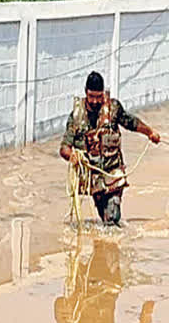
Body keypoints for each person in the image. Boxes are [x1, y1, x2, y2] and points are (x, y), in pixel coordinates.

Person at [59, 71, 161, 226]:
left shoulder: (113, 108)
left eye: (98, 97)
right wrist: (71, 155)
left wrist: (150, 133)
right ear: (86, 92)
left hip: (113, 171)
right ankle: (106, 245)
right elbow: (64, 148)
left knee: (112, 214)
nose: (94, 101)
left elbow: (131, 123)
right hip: (93, 176)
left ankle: (114, 241)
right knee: (104, 217)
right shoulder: (76, 116)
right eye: (91, 96)